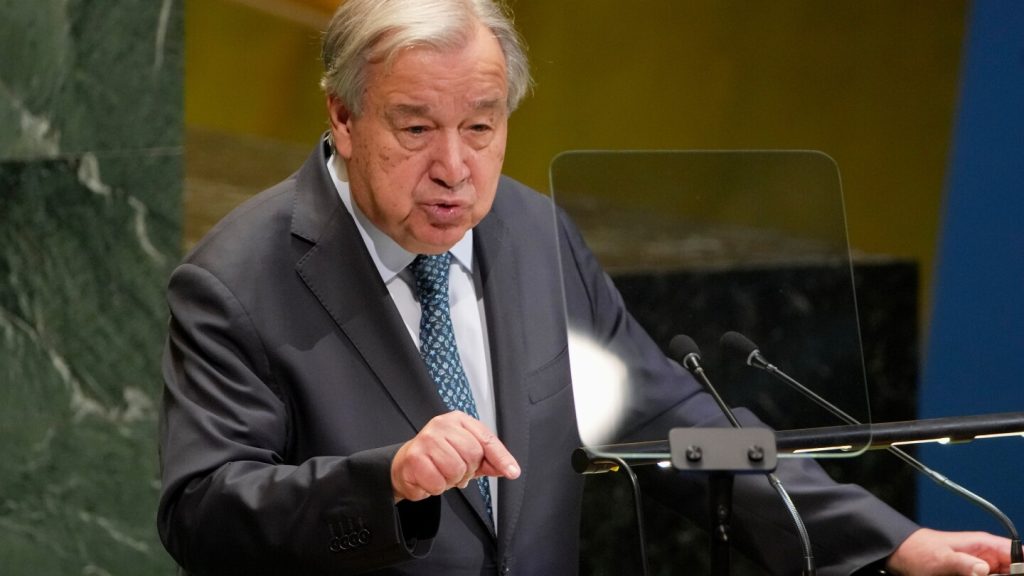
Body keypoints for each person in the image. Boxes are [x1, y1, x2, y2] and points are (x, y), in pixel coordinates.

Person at [157, 1, 1014, 574]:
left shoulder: (533, 234)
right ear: (343, 118)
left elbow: (674, 425)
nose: (454, 167)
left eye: (481, 127)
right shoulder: (237, 281)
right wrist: (385, 482)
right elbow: (202, 516)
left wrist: (889, 543)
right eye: (415, 129)